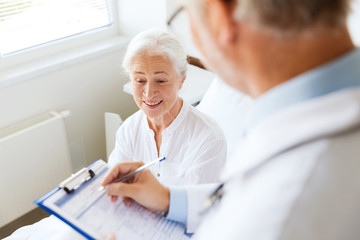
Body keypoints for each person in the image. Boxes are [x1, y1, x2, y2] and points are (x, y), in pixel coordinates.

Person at [103, 0, 360, 239]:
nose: (149, 91)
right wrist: (170, 199)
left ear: (220, 15)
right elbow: (238, 197)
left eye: (185, 15)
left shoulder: (284, 211)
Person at [108, 29, 226, 186]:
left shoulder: (208, 138)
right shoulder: (128, 130)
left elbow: (197, 206)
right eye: (140, 80)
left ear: (181, 80)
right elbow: (116, 186)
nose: (149, 93)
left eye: (161, 81)